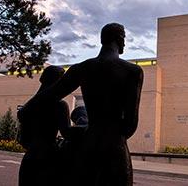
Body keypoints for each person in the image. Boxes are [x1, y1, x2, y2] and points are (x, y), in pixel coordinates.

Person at [23, 23, 143, 186]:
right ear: (119, 38)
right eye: (124, 38)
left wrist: (25, 110)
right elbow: (130, 124)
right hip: (116, 148)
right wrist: (111, 135)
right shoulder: (132, 71)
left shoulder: (82, 68)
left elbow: (50, 95)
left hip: (89, 146)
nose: (124, 43)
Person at [17, 65, 70, 186]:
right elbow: (67, 133)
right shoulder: (60, 105)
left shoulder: (28, 107)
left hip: (29, 158)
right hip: (48, 158)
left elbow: (23, 138)